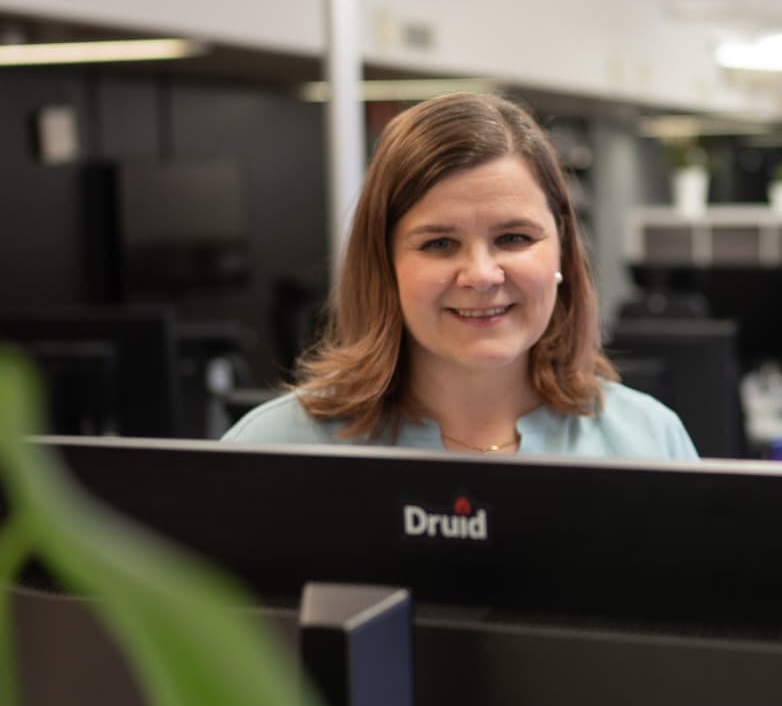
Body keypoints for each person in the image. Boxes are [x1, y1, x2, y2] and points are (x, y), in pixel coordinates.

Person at [225, 92, 697, 460]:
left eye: (514, 238)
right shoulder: (274, 447)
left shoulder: (650, 441)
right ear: (384, 264)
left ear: (562, 253)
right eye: (439, 244)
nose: (481, 274)